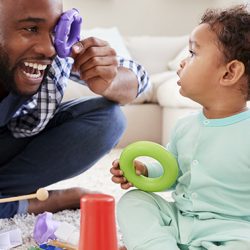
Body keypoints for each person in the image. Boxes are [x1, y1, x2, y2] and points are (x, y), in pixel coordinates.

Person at [111, 4, 250, 250]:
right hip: (180, 220)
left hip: (234, 229)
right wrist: (145, 171)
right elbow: (173, 172)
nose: (183, 63)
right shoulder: (184, 126)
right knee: (134, 202)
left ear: (230, 73)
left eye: (193, 54)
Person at [0, 0, 150, 219]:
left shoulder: (58, 50)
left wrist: (108, 78)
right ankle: (40, 201)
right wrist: (54, 201)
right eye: (30, 29)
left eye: (53, 30)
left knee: (109, 120)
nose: (49, 48)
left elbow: (140, 78)